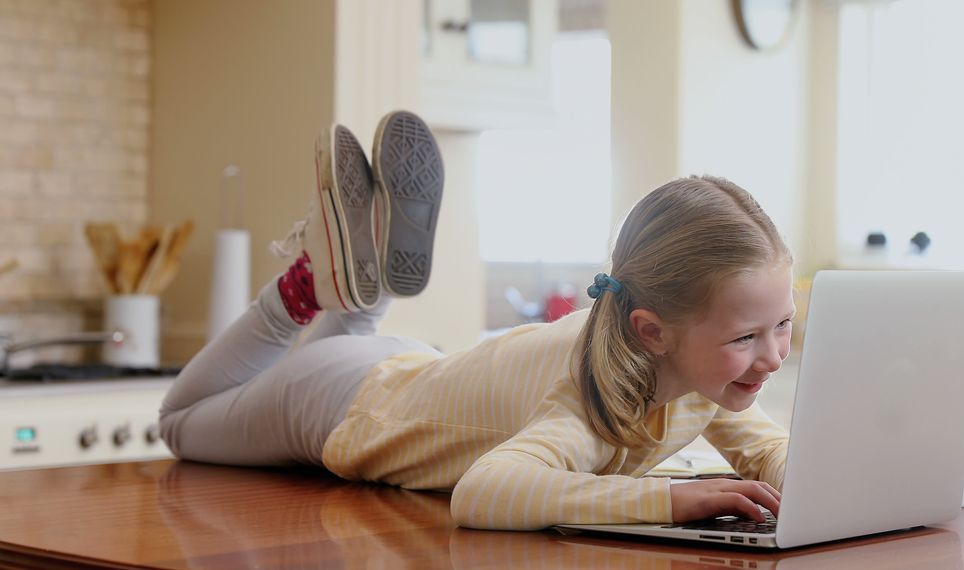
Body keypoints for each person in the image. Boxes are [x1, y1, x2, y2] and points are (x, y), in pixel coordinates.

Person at [159, 110, 794, 531]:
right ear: (653, 332)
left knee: (337, 346)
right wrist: (668, 501)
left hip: (395, 372)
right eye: (746, 337)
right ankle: (303, 289)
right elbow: (484, 492)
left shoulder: (696, 370)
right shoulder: (591, 397)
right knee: (180, 424)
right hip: (340, 405)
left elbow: (767, 450)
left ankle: (360, 284)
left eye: (784, 325)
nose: (773, 356)